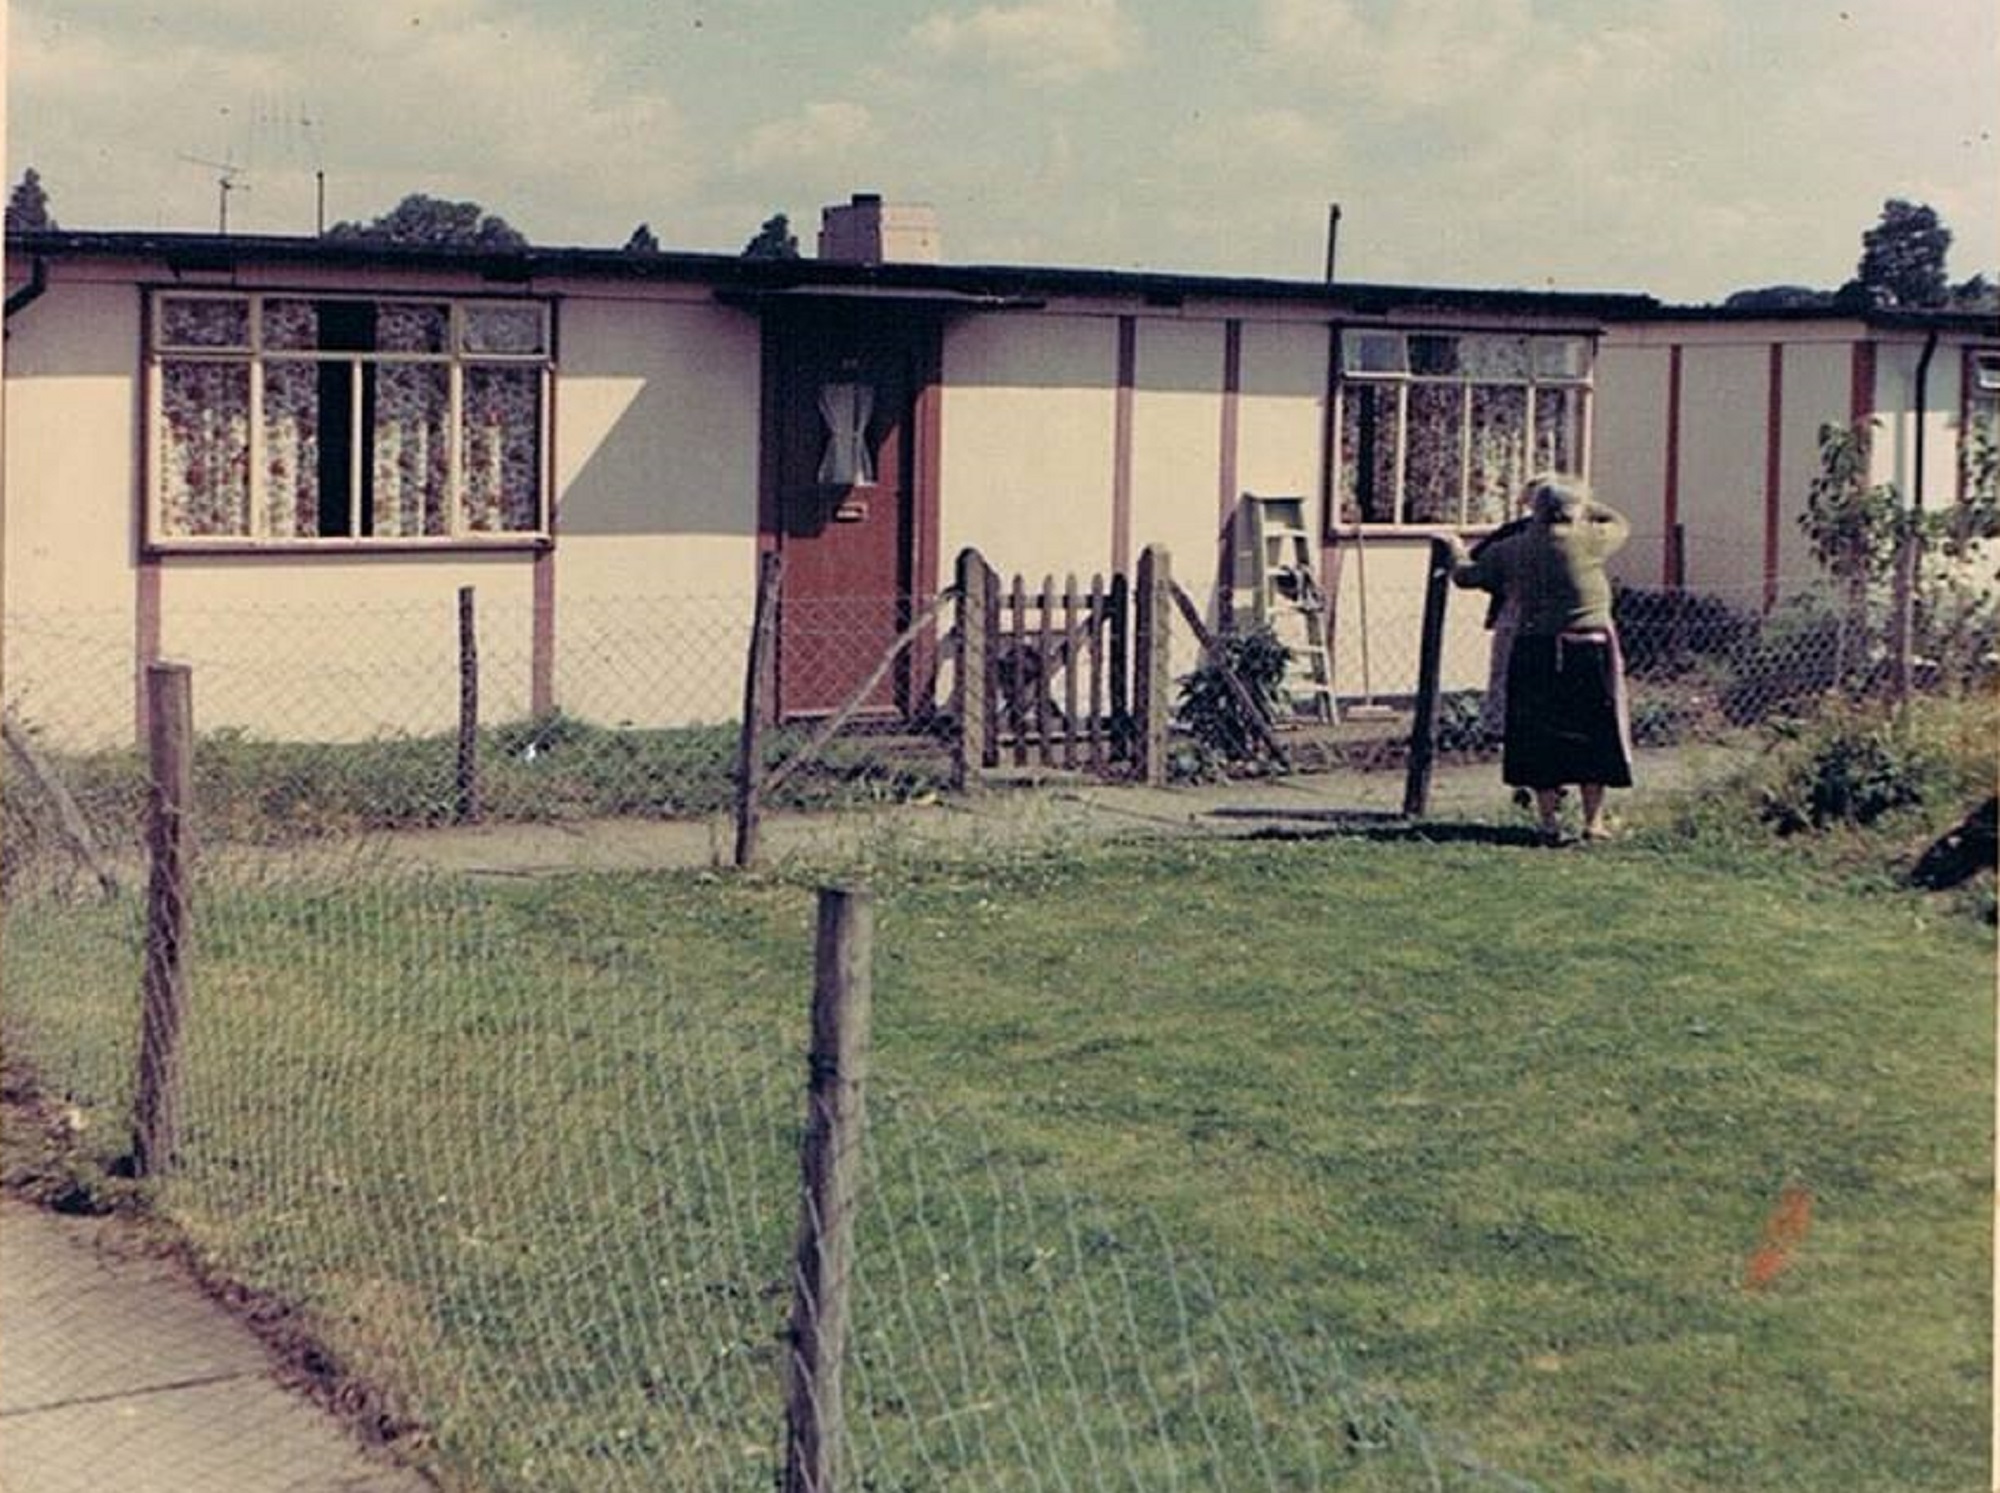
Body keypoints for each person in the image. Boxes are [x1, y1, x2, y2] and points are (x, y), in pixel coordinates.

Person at [1445, 475, 1633, 844]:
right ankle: (1593, 822)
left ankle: (1548, 822)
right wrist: (1584, 504)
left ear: (1537, 509)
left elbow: (1467, 576)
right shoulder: (1591, 540)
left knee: (1539, 736)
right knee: (1593, 734)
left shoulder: (1513, 548)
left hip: (1534, 648)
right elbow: (1620, 523)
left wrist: (1454, 549)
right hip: (1587, 648)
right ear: (1572, 511)